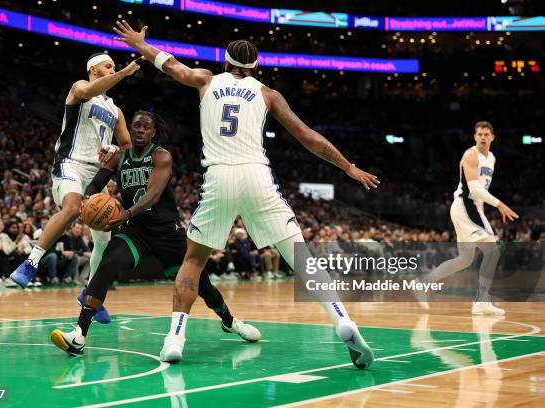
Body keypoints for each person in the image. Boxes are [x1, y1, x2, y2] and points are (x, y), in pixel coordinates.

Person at [114, 21, 379, 368]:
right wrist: (348, 167)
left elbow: (170, 63)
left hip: (219, 177)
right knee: (302, 258)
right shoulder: (268, 93)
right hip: (257, 176)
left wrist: (139, 44)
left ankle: (175, 338)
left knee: (193, 260)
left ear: (225, 63)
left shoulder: (207, 80)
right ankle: (342, 319)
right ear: (256, 67)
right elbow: (308, 137)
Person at [50, 111, 260, 356]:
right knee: (107, 264)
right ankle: (79, 335)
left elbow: (153, 195)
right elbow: (96, 184)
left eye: (145, 127)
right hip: (136, 231)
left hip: (167, 232)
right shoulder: (118, 157)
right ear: (130, 129)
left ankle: (229, 320)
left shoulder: (161, 156)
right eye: (136, 126)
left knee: (203, 286)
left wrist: (126, 213)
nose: (140, 130)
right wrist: (89, 201)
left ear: (153, 132)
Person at [9, 52, 139, 321]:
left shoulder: (116, 110)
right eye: (108, 66)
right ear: (93, 68)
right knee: (71, 207)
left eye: (115, 67)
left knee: (105, 238)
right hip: (70, 163)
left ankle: (90, 291)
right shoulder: (80, 89)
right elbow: (91, 88)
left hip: (97, 173)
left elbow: (126, 145)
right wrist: (124, 73)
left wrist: (113, 148)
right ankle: (30, 263)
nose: (113, 69)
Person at [417, 121, 519, 315]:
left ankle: (423, 282)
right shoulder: (470, 155)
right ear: (474, 137)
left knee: (464, 260)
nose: (482, 137)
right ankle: (481, 301)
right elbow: (473, 189)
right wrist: (499, 204)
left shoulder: (492, 158)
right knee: (492, 251)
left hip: (474, 208)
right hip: (465, 207)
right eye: (479, 134)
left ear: (492, 137)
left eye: (486, 134)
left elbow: (481, 189)